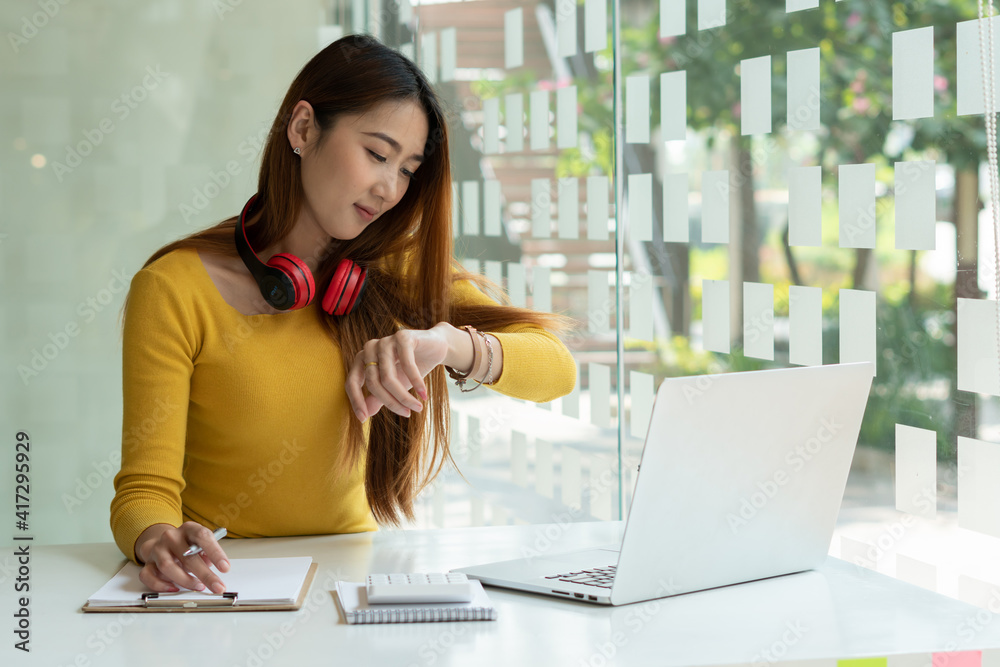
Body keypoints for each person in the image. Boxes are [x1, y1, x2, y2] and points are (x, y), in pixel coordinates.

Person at [110, 35, 577, 596]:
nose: (389, 189)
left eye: (407, 169)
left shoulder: (396, 270)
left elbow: (558, 370)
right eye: (377, 154)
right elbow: (144, 490)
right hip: (226, 586)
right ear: (303, 129)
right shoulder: (173, 289)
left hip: (357, 585)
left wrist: (449, 344)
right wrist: (156, 537)